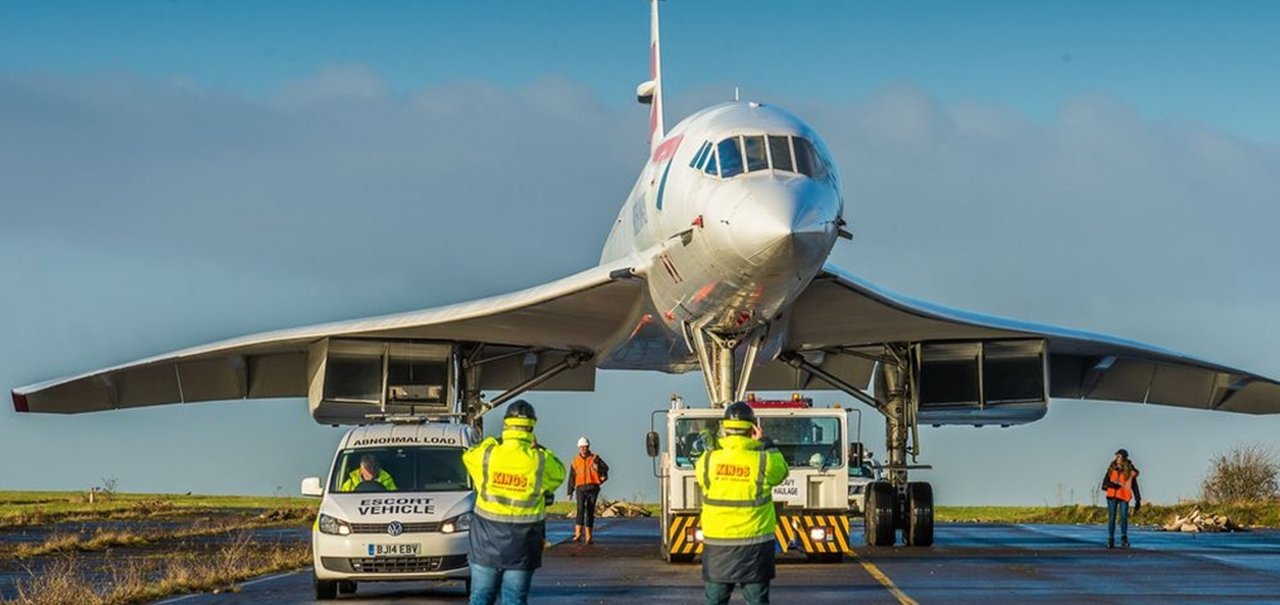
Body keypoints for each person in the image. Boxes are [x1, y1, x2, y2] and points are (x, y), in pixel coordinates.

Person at [462, 400, 566, 605]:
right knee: (515, 600)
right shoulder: (539, 460)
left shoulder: (488, 455)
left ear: (505, 424)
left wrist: (491, 442)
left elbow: (468, 457)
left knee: (481, 599)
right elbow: (559, 473)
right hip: (522, 547)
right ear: (532, 426)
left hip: (486, 545)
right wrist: (539, 448)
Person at [695, 402, 789, 605]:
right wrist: (767, 443)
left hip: (718, 544)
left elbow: (702, 481)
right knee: (757, 601)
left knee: (714, 600)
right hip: (755, 545)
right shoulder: (764, 460)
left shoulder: (708, 460)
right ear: (753, 428)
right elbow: (782, 472)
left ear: (723, 428)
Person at [568, 436, 610, 544]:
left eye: (585, 447)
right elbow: (572, 477)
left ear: (588, 447)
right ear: (579, 448)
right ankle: (578, 534)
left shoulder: (595, 458)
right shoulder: (575, 461)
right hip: (580, 488)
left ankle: (588, 536)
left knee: (590, 511)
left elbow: (606, 468)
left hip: (593, 487)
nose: (584, 449)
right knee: (580, 509)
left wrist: (599, 469)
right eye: (582, 447)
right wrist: (570, 492)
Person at [1101, 448, 1142, 549]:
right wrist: (1112, 485)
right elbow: (1104, 484)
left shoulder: (1129, 471)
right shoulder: (1111, 468)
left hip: (1124, 496)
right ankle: (1110, 540)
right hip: (1112, 496)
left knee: (1123, 517)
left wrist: (1138, 500)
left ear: (1124, 458)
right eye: (1116, 456)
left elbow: (1134, 486)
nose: (1117, 458)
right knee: (1112, 518)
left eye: (1119, 456)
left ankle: (1124, 539)